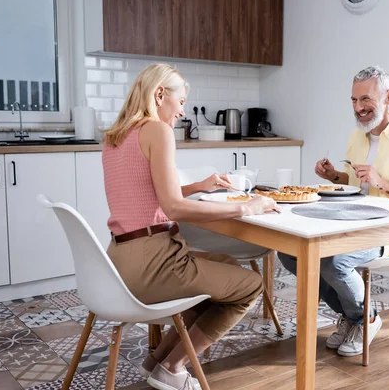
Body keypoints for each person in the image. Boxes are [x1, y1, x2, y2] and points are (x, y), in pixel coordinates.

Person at [102, 63, 279, 390]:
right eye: (181, 101)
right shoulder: (157, 130)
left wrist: (197, 187)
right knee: (251, 286)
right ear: (159, 95)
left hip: (120, 261)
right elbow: (171, 207)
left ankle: (156, 362)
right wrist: (246, 208)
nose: (183, 111)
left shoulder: (116, 136)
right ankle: (173, 367)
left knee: (224, 267)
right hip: (153, 264)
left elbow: (145, 194)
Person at [278, 66, 389, 357]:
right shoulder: (357, 136)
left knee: (334, 261)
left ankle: (366, 320)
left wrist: (383, 182)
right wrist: (333, 176)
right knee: (289, 253)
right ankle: (355, 318)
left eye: (366, 99)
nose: (358, 108)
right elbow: (356, 185)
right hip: (352, 222)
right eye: (353, 100)